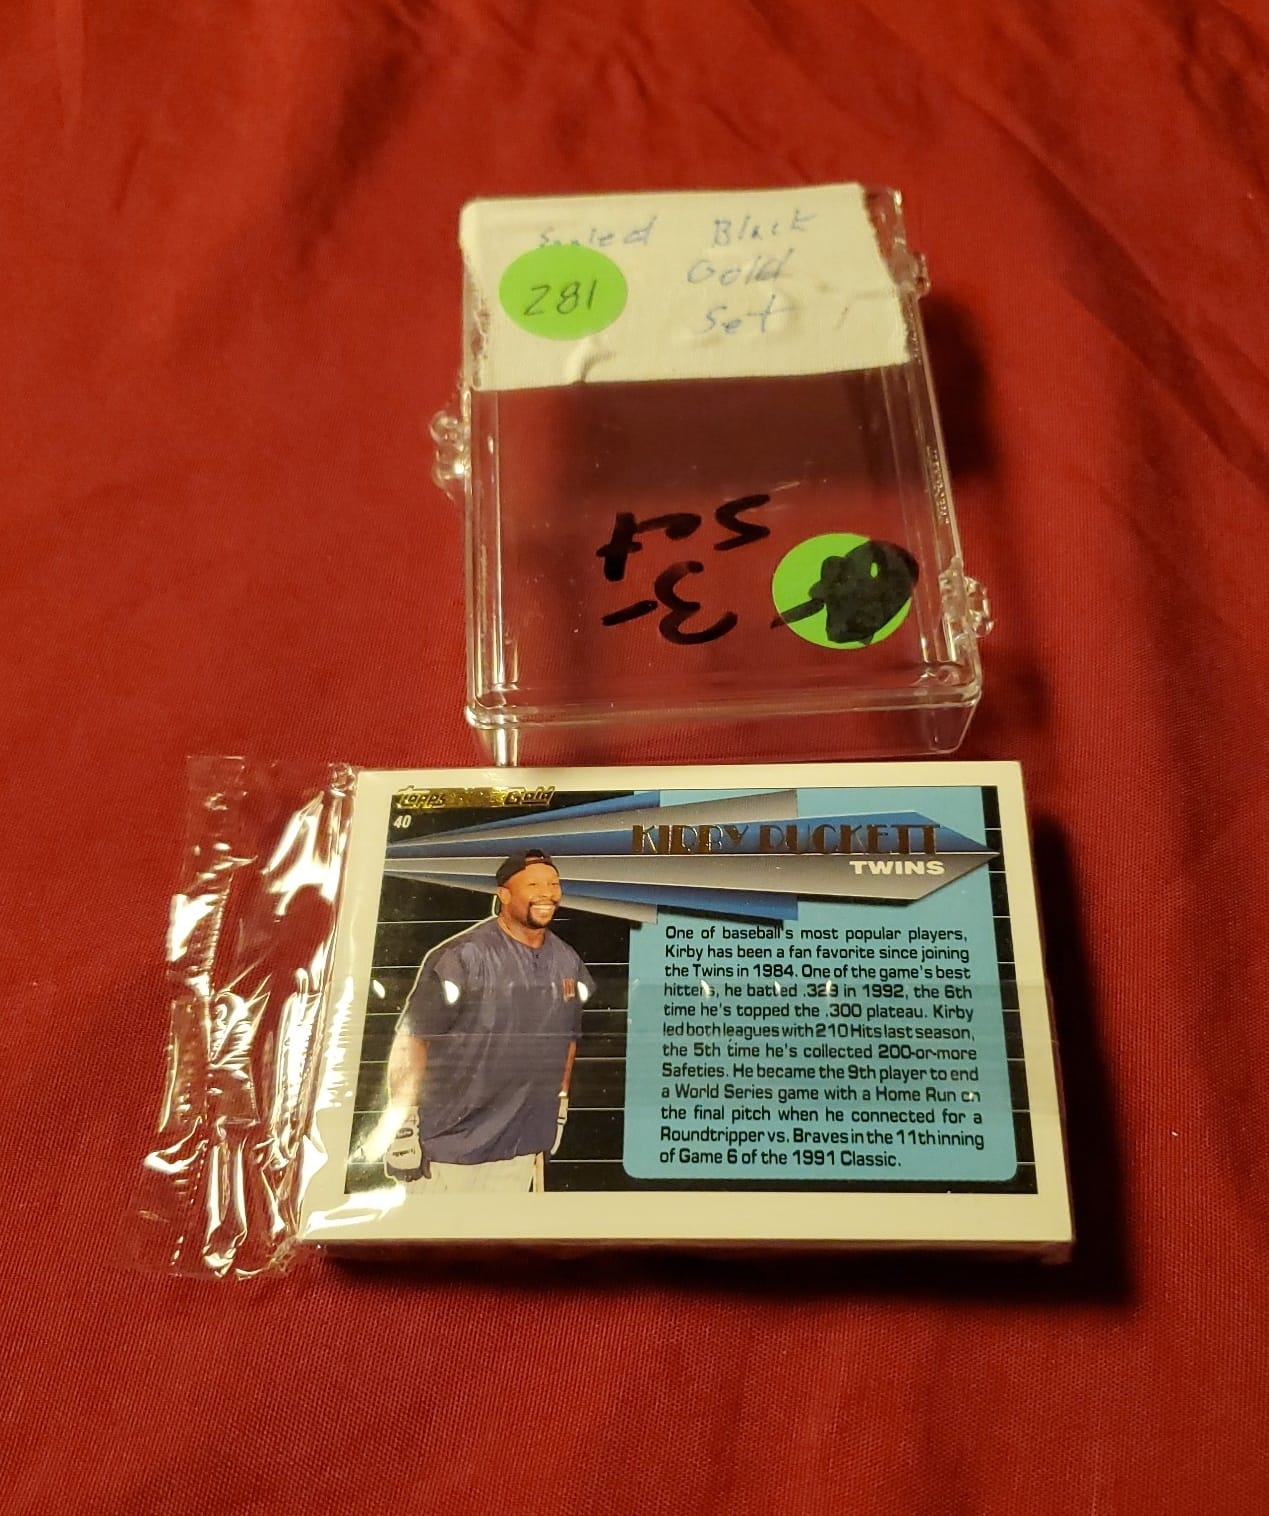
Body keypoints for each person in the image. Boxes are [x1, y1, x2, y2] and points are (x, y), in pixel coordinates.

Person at [381, 849, 595, 1193]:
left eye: (553, 884)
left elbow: (567, 1040)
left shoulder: (567, 961)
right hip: (450, 1152)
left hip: (520, 1150)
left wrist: (560, 1106)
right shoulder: (461, 957)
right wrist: (404, 1124)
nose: (547, 893)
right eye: (534, 884)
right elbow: (414, 1038)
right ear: (504, 894)